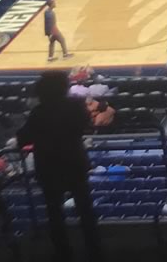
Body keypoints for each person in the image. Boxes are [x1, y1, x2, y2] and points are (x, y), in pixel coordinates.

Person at [20, 70, 105, 262]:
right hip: (75, 163)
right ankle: (95, 251)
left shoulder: (38, 112)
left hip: (48, 167)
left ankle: (63, 253)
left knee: (55, 214)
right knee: (85, 211)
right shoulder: (74, 106)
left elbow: (23, 138)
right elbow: (86, 124)